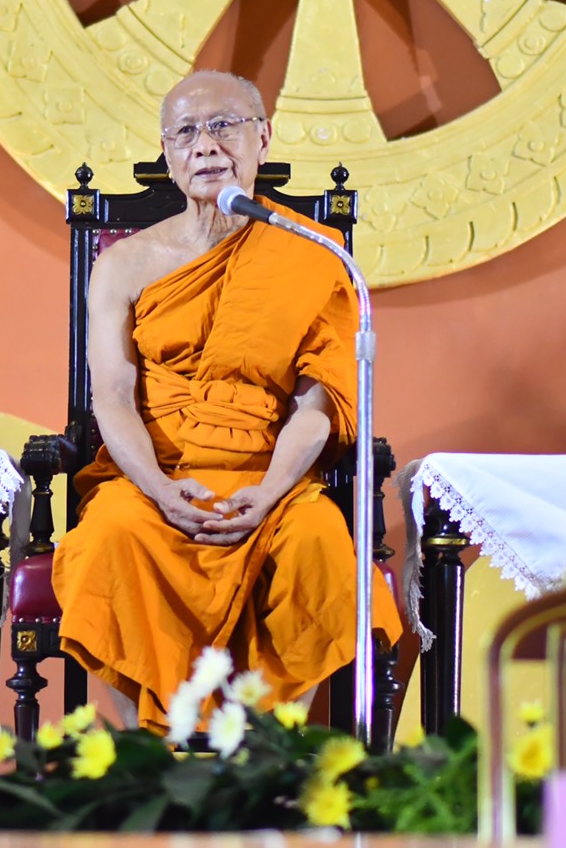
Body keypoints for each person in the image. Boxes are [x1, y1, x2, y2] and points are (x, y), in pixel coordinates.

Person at [50, 70, 402, 734]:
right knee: (109, 535)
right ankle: (149, 753)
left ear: (263, 137)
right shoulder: (124, 264)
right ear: (167, 153)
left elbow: (316, 405)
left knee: (319, 540)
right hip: (157, 476)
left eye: (223, 125)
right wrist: (158, 489)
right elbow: (114, 397)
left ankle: (268, 751)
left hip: (268, 478)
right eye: (186, 131)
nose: (205, 145)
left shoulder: (310, 255)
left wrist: (268, 493)